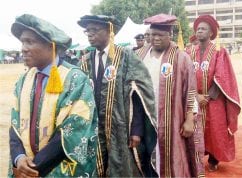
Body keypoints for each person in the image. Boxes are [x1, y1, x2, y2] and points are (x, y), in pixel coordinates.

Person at [8, 14, 98, 177]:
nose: (23, 48)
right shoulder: (23, 80)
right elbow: (15, 124)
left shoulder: (75, 80)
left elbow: (73, 131)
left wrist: (34, 167)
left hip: (57, 169)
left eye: (30, 41)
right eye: (22, 41)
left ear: (51, 46)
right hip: (25, 168)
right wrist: (19, 158)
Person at [77, 15, 157, 177]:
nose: (90, 34)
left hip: (120, 129)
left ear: (109, 30)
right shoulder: (85, 61)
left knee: (121, 168)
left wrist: (136, 130)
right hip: (92, 130)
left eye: (95, 30)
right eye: (88, 31)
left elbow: (140, 95)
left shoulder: (126, 57)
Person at [136, 13, 204, 177]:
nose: (155, 38)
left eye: (160, 35)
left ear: (170, 35)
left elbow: (191, 90)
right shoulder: (140, 56)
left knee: (169, 156)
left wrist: (189, 119)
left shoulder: (181, 58)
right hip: (144, 116)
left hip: (171, 119)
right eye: (151, 35)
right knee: (145, 154)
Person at [192, 14, 241, 172]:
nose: (199, 31)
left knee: (215, 129)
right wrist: (195, 96)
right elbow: (185, 75)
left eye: (203, 29)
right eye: (198, 29)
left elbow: (223, 76)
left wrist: (208, 96)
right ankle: (196, 156)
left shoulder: (219, 52)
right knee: (195, 127)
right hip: (194, 98)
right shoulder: (189, 51)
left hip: (214, 99)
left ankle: (214, 158)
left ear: (211, 33)